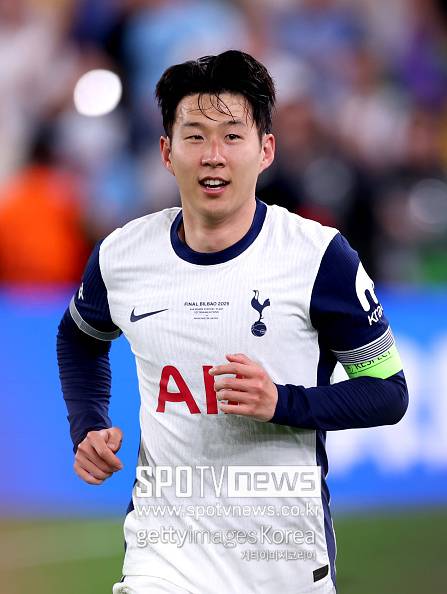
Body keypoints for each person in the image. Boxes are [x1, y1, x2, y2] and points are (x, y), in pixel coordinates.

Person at [57, 50, 408, 594]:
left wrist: (282, 403)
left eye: (232, 136)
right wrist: (88, 423)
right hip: (163, 556)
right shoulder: (122, 256)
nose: (213, 156)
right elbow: (78, 338)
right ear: (166, 152)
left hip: (285, 560)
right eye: (195, 137)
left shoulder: (318, 257)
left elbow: (388, 391)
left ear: (265, 150)